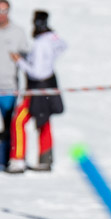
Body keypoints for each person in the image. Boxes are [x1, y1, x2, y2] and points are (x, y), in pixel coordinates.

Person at [6, 10, 66, 173]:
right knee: (44, 120)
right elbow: (62, 45)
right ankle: (45, 159)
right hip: (49, 83)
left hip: (37, 87)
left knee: (19, 121)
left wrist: (20, 61)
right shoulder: (53, 38)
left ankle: (18, 159)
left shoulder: (41, 43)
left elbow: (36, 72)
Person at [0, 0, 29, 169]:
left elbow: (28, 61)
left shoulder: (18, 32)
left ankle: (9, 159)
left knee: (11, 125)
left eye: (4, 10)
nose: (1, 14)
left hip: (9, 88)